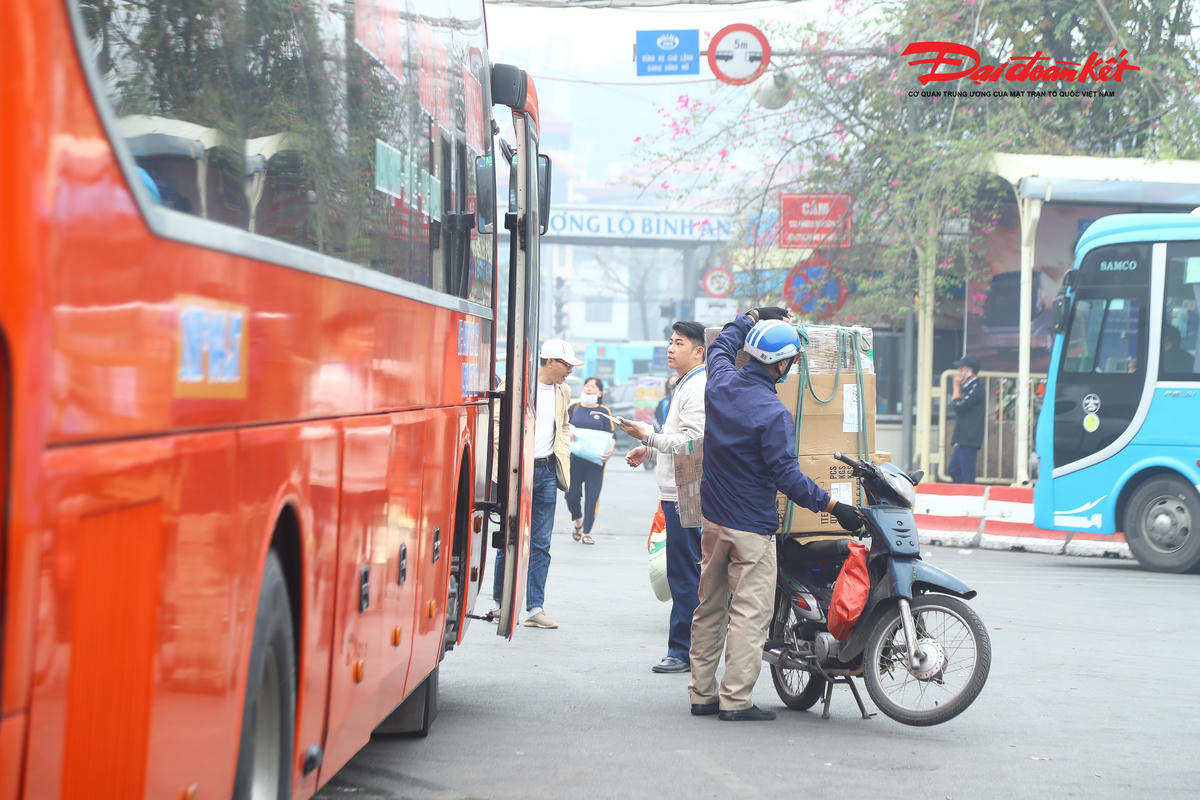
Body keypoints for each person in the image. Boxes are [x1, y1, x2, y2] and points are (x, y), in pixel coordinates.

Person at [688, 307, 863, 722]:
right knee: (749, 614)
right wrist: (835, 506)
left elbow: (722, 345)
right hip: (751, 529)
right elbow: (789, 479)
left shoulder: (720, 384)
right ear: (781, 365)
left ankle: (701, 695)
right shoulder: (773, 414)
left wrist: (749, 316)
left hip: (713, 521)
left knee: (709, 608)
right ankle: (735, 701)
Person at [619, 321, 708, 675]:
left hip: (686, 492)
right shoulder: (686, 384)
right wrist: (649, 448)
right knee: (684, 573)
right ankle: (685, 649)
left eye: (680, 343)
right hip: (678, 489)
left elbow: (694, 442)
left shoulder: (697, 386)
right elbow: (679, 439)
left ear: (699, 351)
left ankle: (681, 651)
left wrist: (650, 436)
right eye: (670, 342)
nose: (671, 348)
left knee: (684, 575)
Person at [491, 338, 581, 629]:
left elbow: (563, 425)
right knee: (509, 538)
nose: (569, 371)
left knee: (541, 543)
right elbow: (496, 422)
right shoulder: (515, 385)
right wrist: (505, 456)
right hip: (518, 472)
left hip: (545, 472)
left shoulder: (563, 391)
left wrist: (562, 452)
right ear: (550, 362)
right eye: (566, 365)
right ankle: (499, 604)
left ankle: (535, 608)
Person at [565, 377, 616, 546]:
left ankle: (586, 532)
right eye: (586, 385)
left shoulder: (604, 411)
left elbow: (612, 435)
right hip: (575, 460)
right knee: (571, 495)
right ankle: (577, 519)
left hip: (595, 462)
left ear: (599, 393)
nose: (588, 388)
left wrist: (610, 450)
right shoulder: (573, 408)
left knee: (592, 496)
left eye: (592, 387)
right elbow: (562, 427)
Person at [948, 354, 985, 485]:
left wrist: (956, 387)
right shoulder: (969, 387)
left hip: (969, 439)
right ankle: (961, 496)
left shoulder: (976, 388)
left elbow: (959, 406)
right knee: (953, 470)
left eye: (961, 369)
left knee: (967, 476)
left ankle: (969, 499)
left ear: (969, 370)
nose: (959, 373)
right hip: (962, 439)